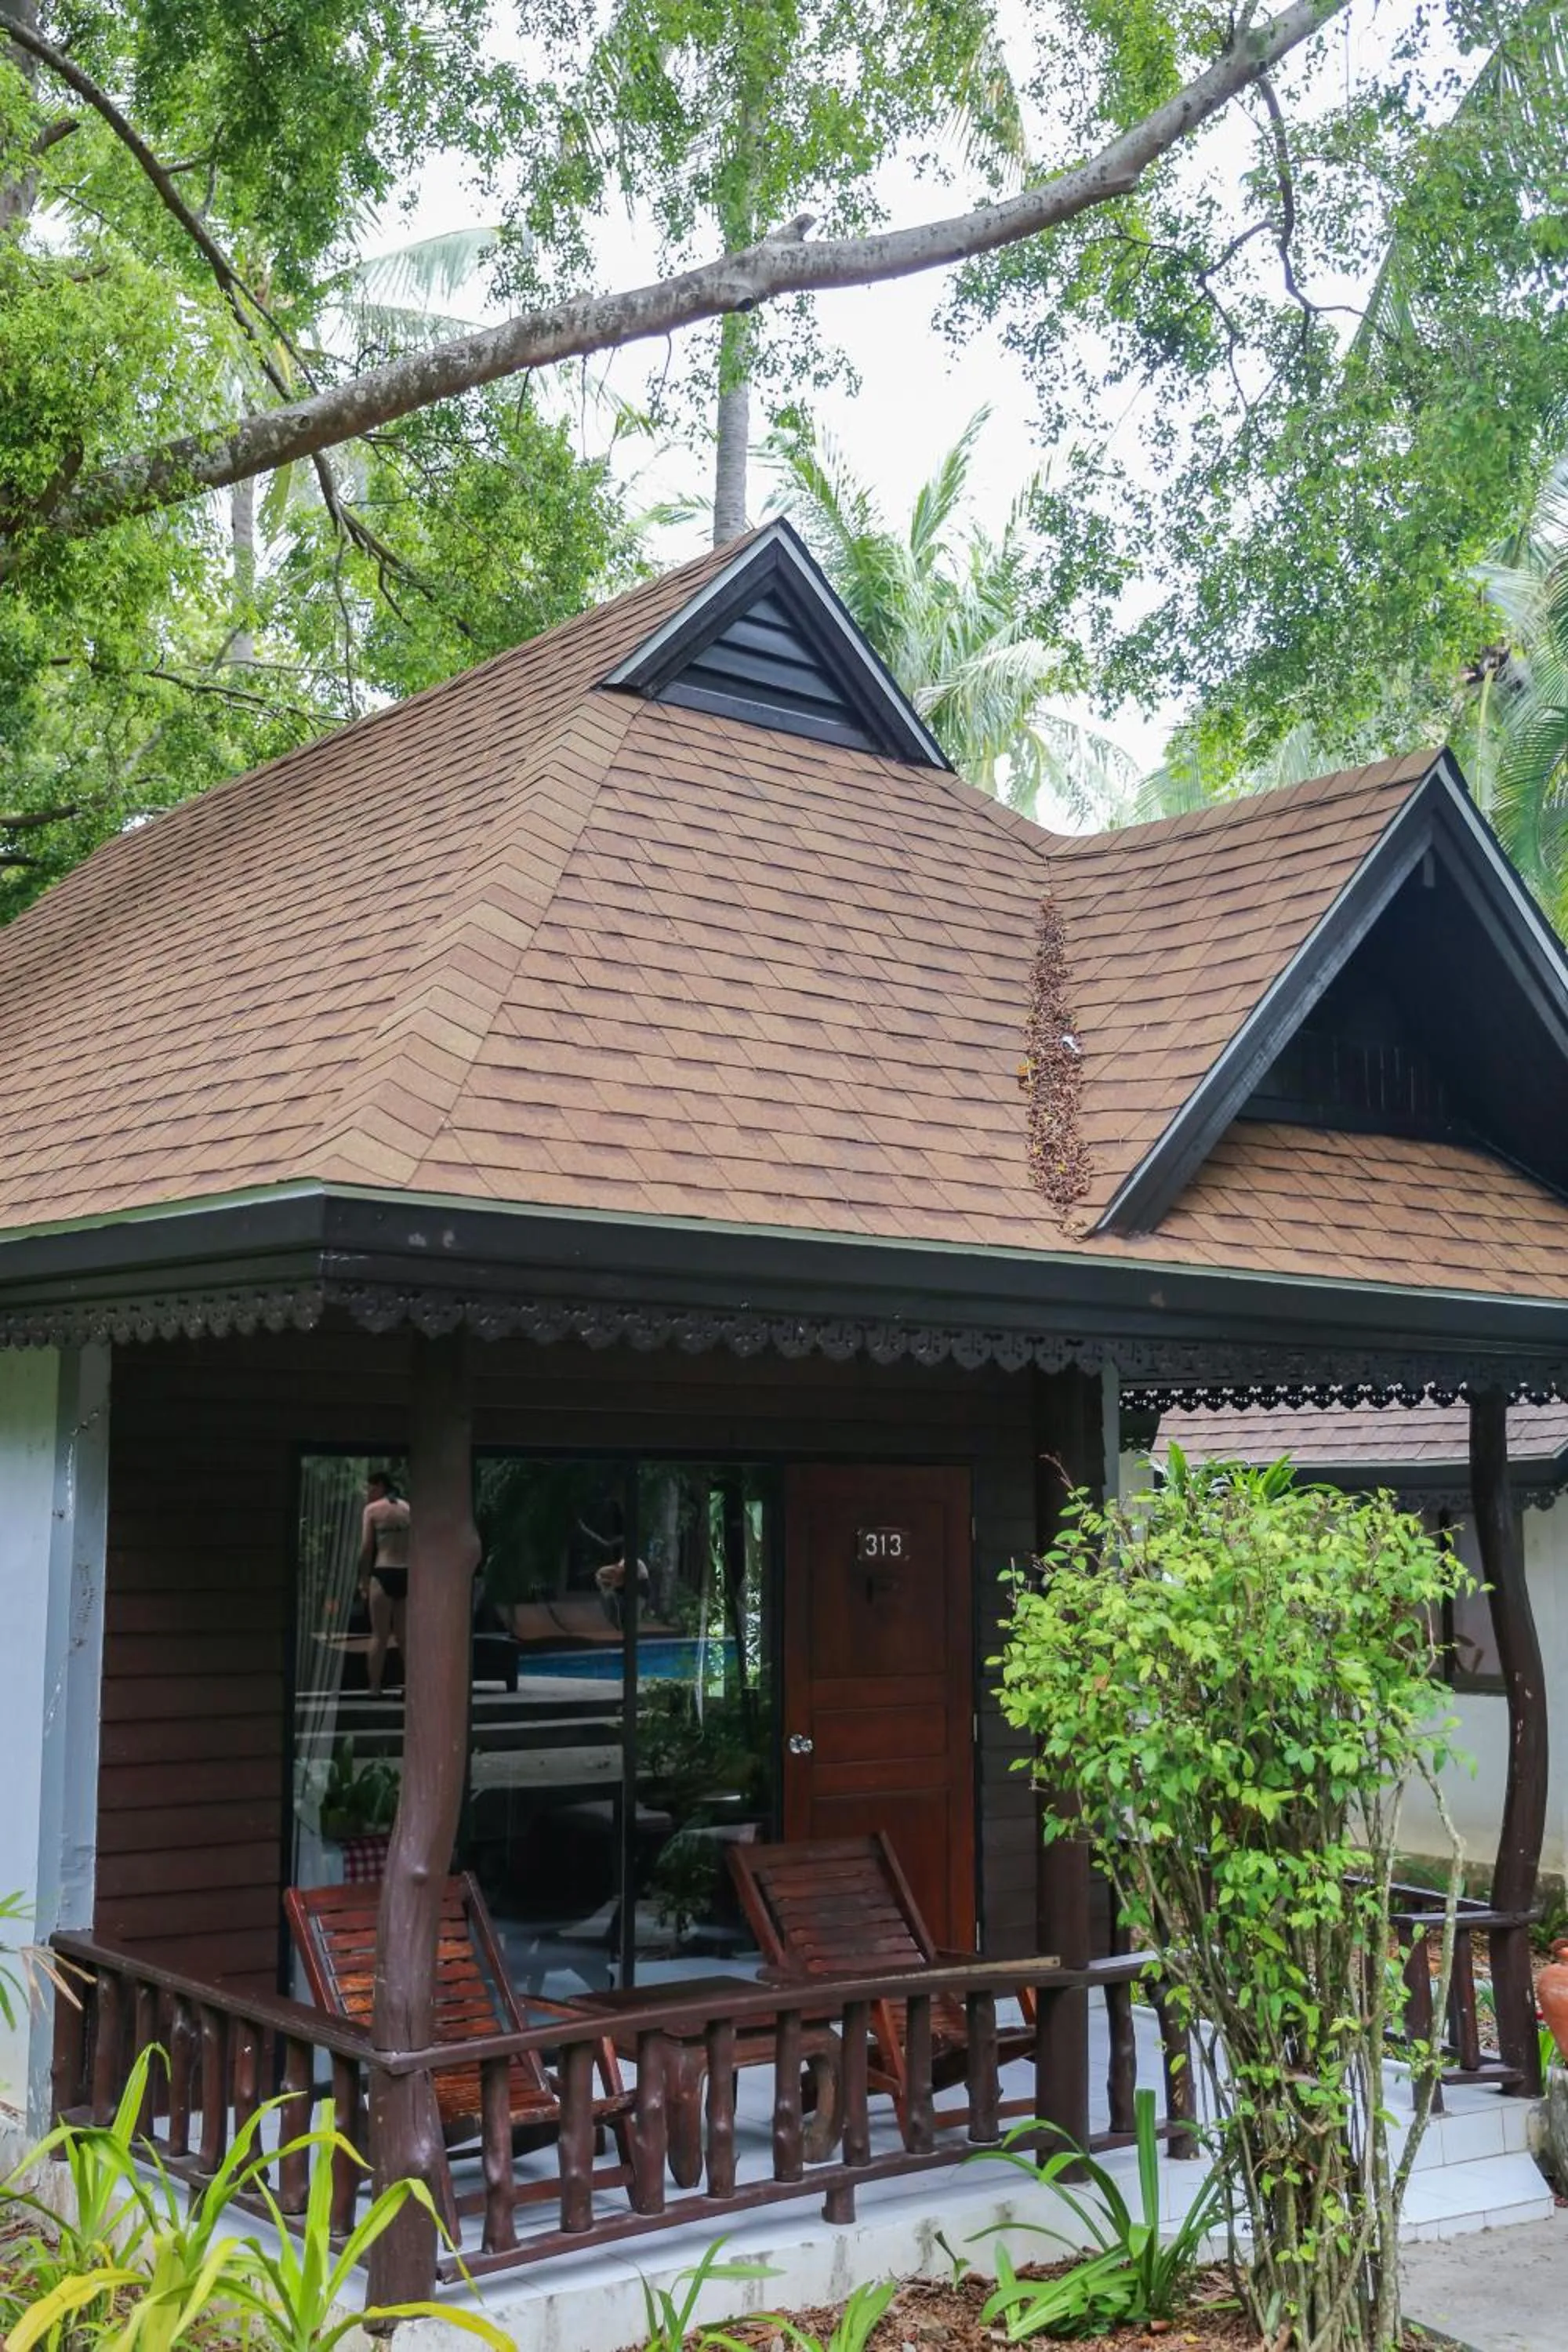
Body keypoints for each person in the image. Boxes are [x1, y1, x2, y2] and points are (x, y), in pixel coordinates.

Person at [360, 1469, 411, 1698]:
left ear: (379, 1485)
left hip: (383, 1571)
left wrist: (363, 1580)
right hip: (406, 1572)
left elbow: (366, 1548)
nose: (367, 1492)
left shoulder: (372, 1511)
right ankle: (413, 1684)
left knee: (379, 1635)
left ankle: (374, 1687)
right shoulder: (407, 1509)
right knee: (404, 1635)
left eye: (369, 1487)